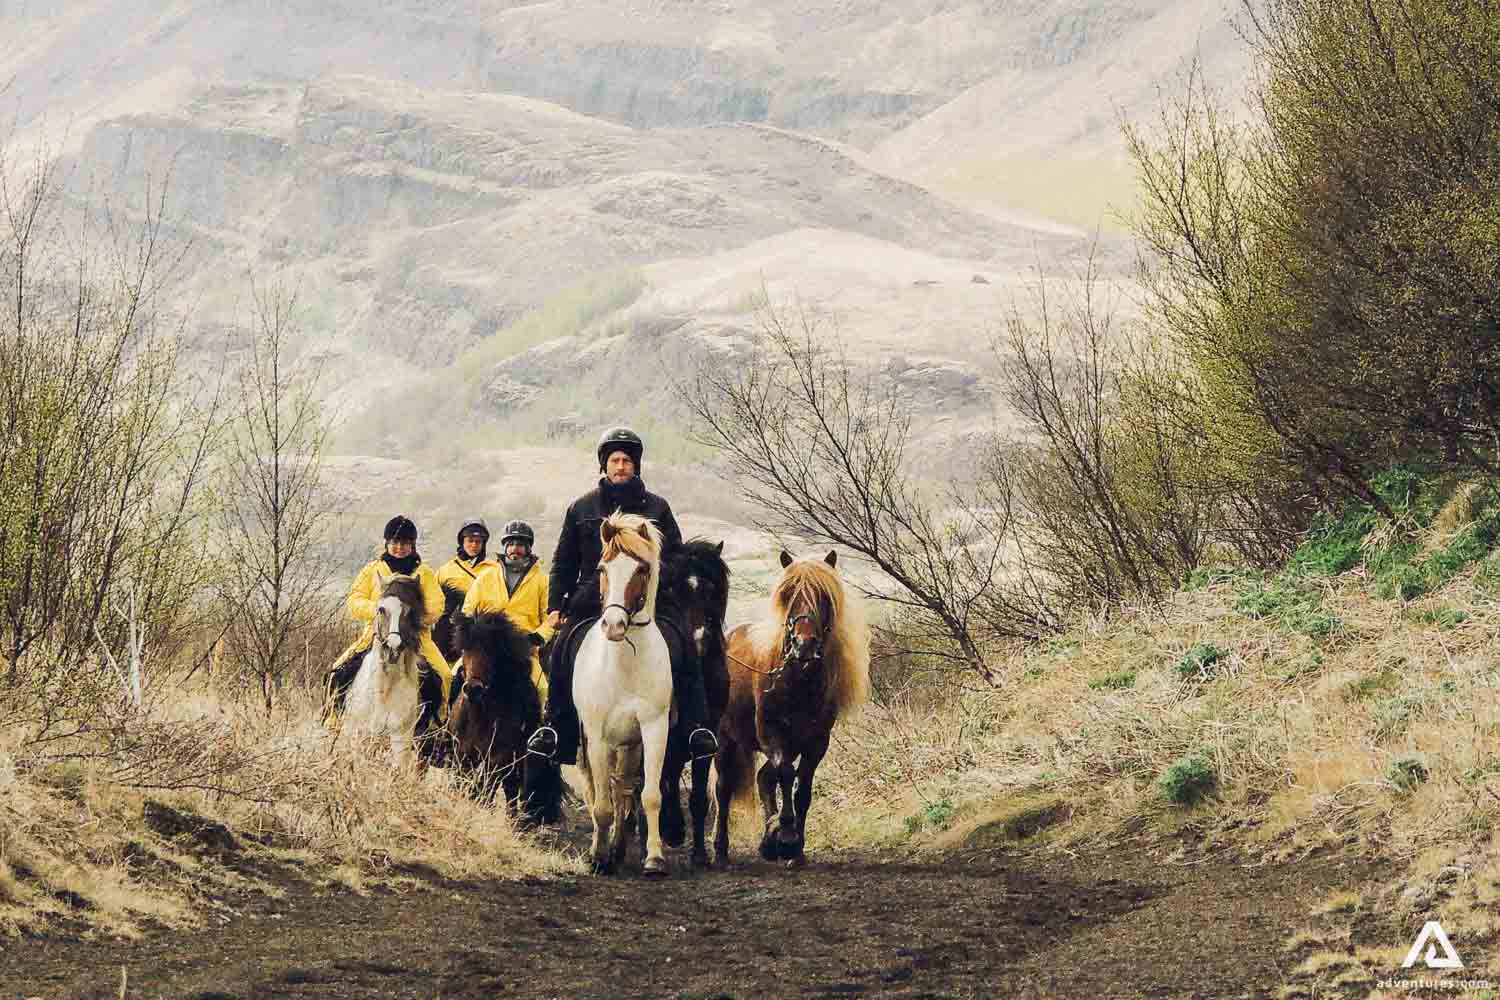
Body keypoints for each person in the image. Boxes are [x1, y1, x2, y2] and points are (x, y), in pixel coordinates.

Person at [526, 427, 719, 764]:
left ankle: (694, 728)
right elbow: (563, 562)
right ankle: (557, 727)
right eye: (614, 460)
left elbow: (677, 557)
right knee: (560, 648)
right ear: (604, 465)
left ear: (636, 466)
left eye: (626, 461)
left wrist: (652, 579)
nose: (620, 466)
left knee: (686, 645)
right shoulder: (580, 508)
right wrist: (556, 606)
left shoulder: (658, 508)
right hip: (593, 599)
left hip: (650, 603)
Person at [324, 516, 453, 730]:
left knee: (445, 675)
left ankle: (438, 723)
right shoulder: (372, 570)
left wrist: (411, 618)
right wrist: (380, 611)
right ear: (387, 543)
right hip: (376, 635)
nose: (399, 548)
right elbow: (354, 600)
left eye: (404, 543)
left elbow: (437, 604)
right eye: (394, 542)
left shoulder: (424, 573)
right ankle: (334, 716)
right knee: (337, 671)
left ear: (412, 545)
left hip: (417, 638)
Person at [461, 519, 558, 698]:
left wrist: (538, 637)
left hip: (523, 650)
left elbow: (550, 617)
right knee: (454, 678)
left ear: (529, 548)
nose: (515, 549)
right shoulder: (486, 576)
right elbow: (468, 610)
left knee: (542, 690)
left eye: (520, 544)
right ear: (505, 547)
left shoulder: (542, 581)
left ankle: (543, 725)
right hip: (485, 648)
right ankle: (445, 724)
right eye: (510, 544)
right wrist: (471, 635)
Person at [436, 518, 497, 599]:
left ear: (483, 544)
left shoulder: (495, 569)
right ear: (462, 542)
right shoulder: (445, 571)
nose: (474, 545)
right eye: (470, 540)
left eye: (478, 541)